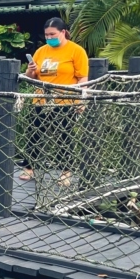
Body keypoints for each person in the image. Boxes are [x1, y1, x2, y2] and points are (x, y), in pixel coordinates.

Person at [21, 17, 89, 185]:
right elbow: (31, 77)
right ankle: (30, 169)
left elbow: (83, 78)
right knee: (34, 134)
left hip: (65, 100)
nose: (49, 37)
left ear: (63, 32)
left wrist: (81, 100)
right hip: (41, 100)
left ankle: (66, 172)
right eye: (46, 35)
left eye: (52, 34)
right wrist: (30, 71)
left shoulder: (76, 50)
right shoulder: (41, 51)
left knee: (64, 137)